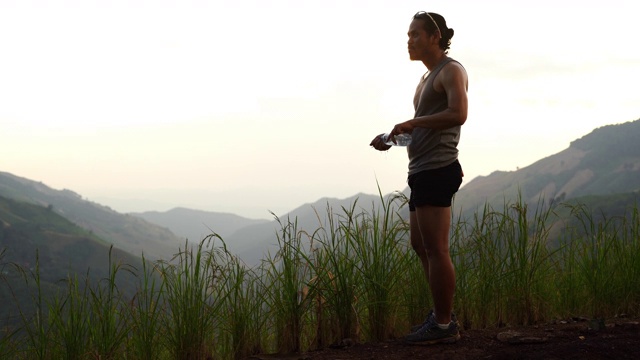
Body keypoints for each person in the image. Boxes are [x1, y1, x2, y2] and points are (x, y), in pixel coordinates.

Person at [370, 11, 468, 345]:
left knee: (437, 249)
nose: (409, 41)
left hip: (438, 169)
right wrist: (393, 137)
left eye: (415, 34)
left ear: (434, 37)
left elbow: (458, 114)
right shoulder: (425, 79)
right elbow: (427, 124)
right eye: (408, 35)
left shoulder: (451, 71)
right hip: (421, 169)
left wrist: (412, 123)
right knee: (420, 245)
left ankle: (443, 325)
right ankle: (442, 315)